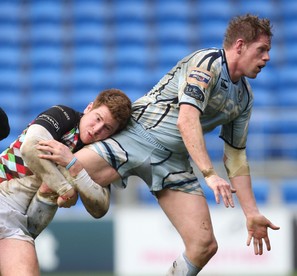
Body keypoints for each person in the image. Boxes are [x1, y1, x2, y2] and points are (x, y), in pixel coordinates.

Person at [34, 14, 280, 275]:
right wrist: (209, 174)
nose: (267, 58)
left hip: (172, 160)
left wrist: (251, 212)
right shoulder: (206, 64)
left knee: (204, 245)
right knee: (55, 179)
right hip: (136, 135)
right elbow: (186, 120)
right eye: (262, 49)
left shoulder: (244, 98)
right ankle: (16, 237)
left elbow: (236, 155)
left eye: (268, 51)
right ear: (240, 45)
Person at [0, 88, 132, 276]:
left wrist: (72, 164)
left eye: (107, 129)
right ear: (89, 108)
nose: (96, 130)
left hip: (17, 222)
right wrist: (65, 188)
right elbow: (30, 148)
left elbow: (100, 207)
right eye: (97, 118)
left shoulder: (96, 154)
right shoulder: (64, 115)